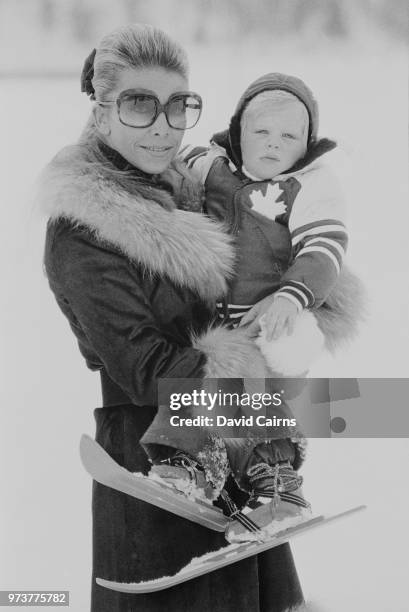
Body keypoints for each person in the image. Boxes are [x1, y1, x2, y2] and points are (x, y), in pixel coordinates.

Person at [39, 24, 308, 612]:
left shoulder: (199, 193)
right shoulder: (84, 230)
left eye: (178, 105)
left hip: (238, 449)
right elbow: (143, 368)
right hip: (153, 464)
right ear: (101, 110)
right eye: (139, 104)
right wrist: (248, 371)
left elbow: (262, 274)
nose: (163, 125)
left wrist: (299, 297)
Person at [144, 73, 365, 539]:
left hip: (274, 319)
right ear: (238, 130)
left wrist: (291, 295)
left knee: (260, 404)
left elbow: (324, 246)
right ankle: (194, 468)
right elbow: (173, 180)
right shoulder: (210, 165)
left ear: (307, 143)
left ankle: (280, 492)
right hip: (216, 319)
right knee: (207, 391)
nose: (272, 145)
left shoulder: (309, 184)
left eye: (288, 136)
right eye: (261, 132)